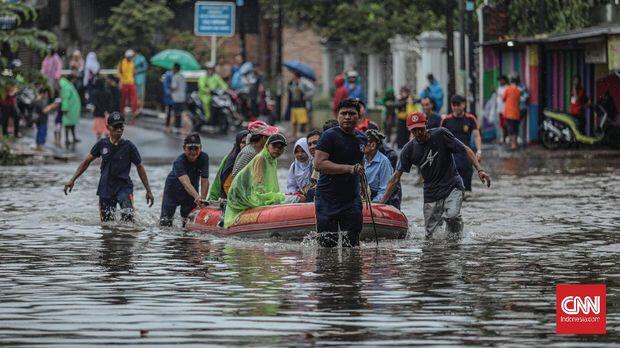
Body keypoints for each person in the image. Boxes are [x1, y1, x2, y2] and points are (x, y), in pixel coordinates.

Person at [382, 112, 491, 236]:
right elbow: (396, 177)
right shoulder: (409, 150)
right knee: (430, 237)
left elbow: (465, 149)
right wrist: (382, 202)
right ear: (410, 131)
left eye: (420, 129)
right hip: (431, 193)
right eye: (414, 130)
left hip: (452, 186)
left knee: (452, 216)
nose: (418, 133)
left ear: (426, 125)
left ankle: (456, 241)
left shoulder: (441, 134)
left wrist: (480, 170)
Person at [64, 112, 154, 222]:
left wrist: (148, 190)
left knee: (128, 216)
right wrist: (72, 179)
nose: (119, 130)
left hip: (123, 187)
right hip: (105, 188)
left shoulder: (129, 146)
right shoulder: (102, 144)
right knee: (107, 224)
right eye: (116, 127)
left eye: (121, 126)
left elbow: (140, 167)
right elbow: (86, 162)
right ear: (108, 127)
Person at [313, 98, 368, 248]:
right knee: (327, 247)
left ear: (359, 117)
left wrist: (363, 186)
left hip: (351, 199)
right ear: (338, 116)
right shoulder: (329, 136)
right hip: (327, 199)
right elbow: (319, 164)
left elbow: (360, 162)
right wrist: (349, 168)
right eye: (343, 113)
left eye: (352, 113)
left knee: (353, 246)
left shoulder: (362, 138)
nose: (347, 117)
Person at [224, 133, 288, 228]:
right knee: (279, 199)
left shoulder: (272, 159)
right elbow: (258, 184)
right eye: (274, 146)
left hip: (251, 193)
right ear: (267, 146)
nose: (277, 149)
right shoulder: (261, 158)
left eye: (281, 147)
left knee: (280, 198)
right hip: (241, 197)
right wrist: (270, 200)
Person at [160, 133, 210, 227]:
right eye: (190, 148)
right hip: (173, 191)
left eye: (196, 148)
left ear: (201, 148)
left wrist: (202, 199)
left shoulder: (204, 158)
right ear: (184, 148)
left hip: (190, 194)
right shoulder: (179, 162)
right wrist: (197, 197)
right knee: (165, 222)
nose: (193, 152)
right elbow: (186, 183)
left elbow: (204, 180)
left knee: (188, 223)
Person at [441, 95, 482, 192]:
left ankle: (467, 205)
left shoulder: (471, 119)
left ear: (463, 105)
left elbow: (476, 135)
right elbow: (440, 138)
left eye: (458, 104)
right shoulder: (446, 120)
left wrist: (479, 151)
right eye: (453, 105)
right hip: (451, 158)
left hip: (466, 158)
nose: (455, 107)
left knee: (467, 189)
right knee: (451, 189)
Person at [208, 130, 249, 201]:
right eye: (243, 142)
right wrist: (212, 199)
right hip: (228, 198)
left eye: (248, 143)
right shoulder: (229, 159)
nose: (246, 145)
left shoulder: (255, 158)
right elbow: (218, 181)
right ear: (238, 144)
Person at [363, 129, 393, 203]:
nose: (360, 145)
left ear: (373, 145)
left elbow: (384, 190)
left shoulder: (384, 162)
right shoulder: (360, 159)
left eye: (363, 143)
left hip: (379, 198)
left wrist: (373, 203)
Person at [287, 73, 314, 138]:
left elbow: (312, 90)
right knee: (294, 122)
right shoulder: (292, 83)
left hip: (302, 105)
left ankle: (307, 136)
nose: (291, 76)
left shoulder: (304, 82)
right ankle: (294, 135)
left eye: (293, 75)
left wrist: (306, 95)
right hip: (294, 104)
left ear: (296, 75)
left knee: (304, 122)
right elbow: (290, 91)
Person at [59, 77, 81, 146]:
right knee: (68, 124)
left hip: (71, 109)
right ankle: (67, 139)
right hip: (71, 109)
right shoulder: (68, 86)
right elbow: (66, 98)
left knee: (70, 124)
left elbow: (66, 98)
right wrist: (65, 109)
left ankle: (71, 138)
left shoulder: (67, 87)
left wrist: (65, 108)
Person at [117, 49, 139, 116]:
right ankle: (121, 110)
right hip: (124, 83)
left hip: (131, 82)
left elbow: (133, 73)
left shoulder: (132, 64)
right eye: (130, 56)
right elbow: (119, 73)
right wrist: (120, 81)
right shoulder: (121, 63)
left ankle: (134, 111)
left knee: (134, 97)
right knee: (123, 98)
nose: (131, 58)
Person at [502, 78, 522, 150]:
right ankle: (515, 143)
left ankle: (512, 144)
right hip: (516, 113)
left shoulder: (508, 89)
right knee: (516, 129)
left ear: (511, 82)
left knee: (510, 129)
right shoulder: (518, 90)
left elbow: (503, 99)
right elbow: (519, 100)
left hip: (509, 113)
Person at [304, 129, 322, 202]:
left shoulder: (330, 159)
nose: (312, 147)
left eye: (315, 143)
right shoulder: (312, 163)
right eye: (309, 144)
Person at [170, 63, 187, 133]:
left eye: (173, 68)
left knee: (176, 113)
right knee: (179, 113)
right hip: (182, 97)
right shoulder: (182, 76)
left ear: (175, 69)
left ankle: (176, 127)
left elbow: (174, 87)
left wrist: (170, 88)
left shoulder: (175, 77)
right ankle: (178, 127)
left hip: (176, 97)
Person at [496, 75, 508, 143]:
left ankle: (506, 138)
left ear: (505, 80)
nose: (500, 82)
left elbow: (504, 98)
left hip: (505, 109)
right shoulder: (499, 88)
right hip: (500, 109)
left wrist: (497, 93)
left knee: (506, 125)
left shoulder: (507, 88)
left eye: (501, 80)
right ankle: (503, 138)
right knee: (502, 125)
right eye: (499, 80)